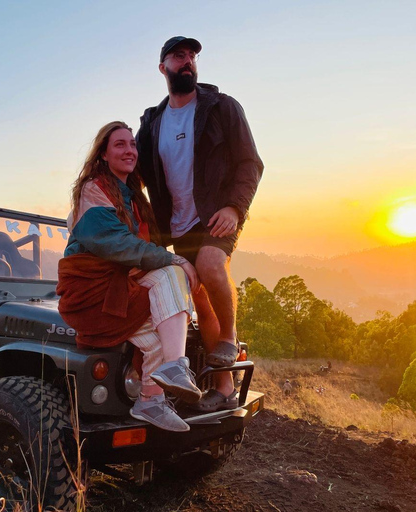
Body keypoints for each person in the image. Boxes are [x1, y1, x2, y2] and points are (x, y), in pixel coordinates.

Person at [136, 36, 264, 412]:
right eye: (179, 56)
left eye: (192, 56)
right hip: (176, 225)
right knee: (200, 301)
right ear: (164, 68)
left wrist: (235, 209)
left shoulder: (221, 108)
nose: (188, 61)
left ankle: (230, 336)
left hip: (218, 215)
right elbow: (141, 174)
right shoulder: (153, 123)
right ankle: (223, 388)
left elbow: (250, 163)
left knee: (210, 265)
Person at [56, 121, 202, 432]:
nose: (129, 150)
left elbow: (145, 247)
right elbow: (113, 242)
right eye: (120, 144)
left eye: (132, 145)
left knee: (165, 328)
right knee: (169, 273)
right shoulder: (93, 190)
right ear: (104, 155)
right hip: (91, 292)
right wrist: (174, 258)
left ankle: (150, 399)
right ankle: (175, 369)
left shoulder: (134, 198)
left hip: (121, 286)